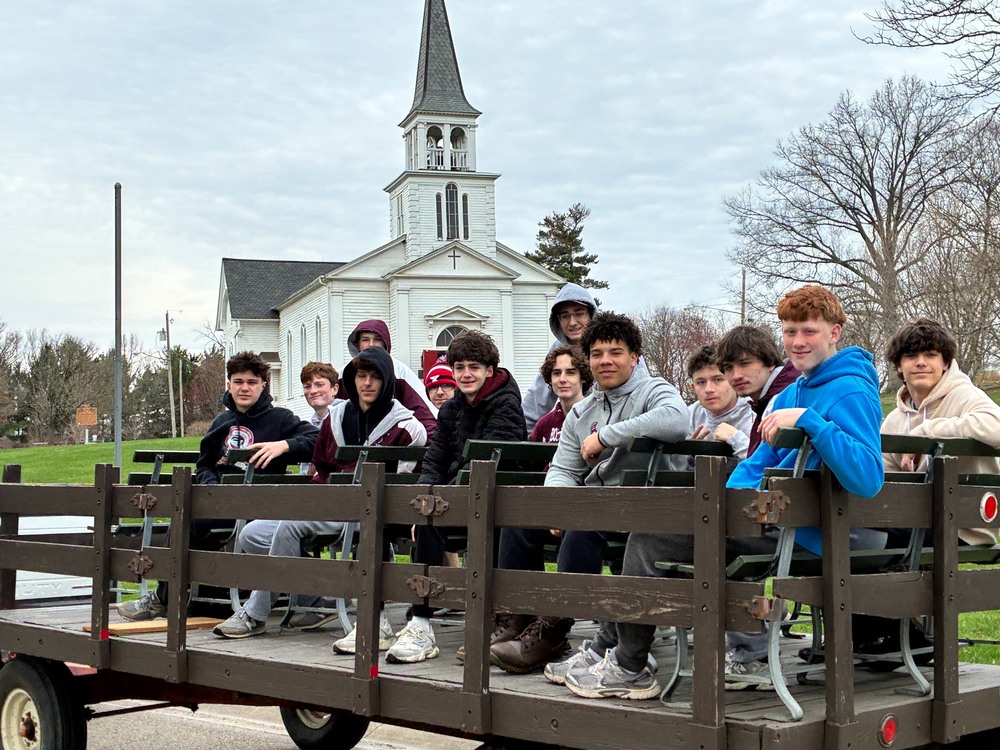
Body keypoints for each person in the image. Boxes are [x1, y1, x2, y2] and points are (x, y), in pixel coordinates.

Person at [566, 285, 886, 699]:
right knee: (658, 526)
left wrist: (813, 422)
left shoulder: (851, 389)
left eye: (809, 331)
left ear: (835, 332)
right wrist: (723, 506)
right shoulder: (790, 392)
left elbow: (867, 478)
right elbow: (753, 466)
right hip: (775, 518)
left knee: (651, 541)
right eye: (789, 332)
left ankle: (628, 666)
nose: (798, 342)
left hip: (822, 530)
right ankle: (618, 654)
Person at [491, 312, 688, 676]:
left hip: (649, 508)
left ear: (634, 356)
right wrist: (557, 507)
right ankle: (518, 617)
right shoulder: (582, 410)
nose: (605, 361)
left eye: (616, 352)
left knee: (585, 523)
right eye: (597, 354)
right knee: (521, 520)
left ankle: (553, 628)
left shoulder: (655, 390)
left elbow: (676, 421)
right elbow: (564, 468)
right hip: (598, 506)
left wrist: (606, 436)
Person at [212, 346, 427, 640]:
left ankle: (255, 614)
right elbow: (322, 469)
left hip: (365, 511)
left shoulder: (406, 426)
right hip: (324, 504)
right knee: (252, 533)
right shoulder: (336, 418)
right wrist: (314, 502)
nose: (366, 383)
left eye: (375, 377)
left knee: (288, 528)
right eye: (361, 375)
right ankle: (318, 594)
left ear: (387, 380)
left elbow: (401, 481)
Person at [117, 351, 319, 622]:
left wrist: (283, 445)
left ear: (263, 385)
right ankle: (171, 597)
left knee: (188, 522)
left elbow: (317, 440)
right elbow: (204, 465)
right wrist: (212, 487)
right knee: (183, 517)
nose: (244, 388)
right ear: (229, 385)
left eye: (251, 382)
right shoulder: (222, 423)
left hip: (259, 504)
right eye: (238, 381)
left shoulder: (281, 419)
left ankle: (164, 599)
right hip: (220, 502)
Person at [386, 330, 526, 664]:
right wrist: (426, 499)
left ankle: (491, 620)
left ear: (489, 370)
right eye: (460, 367)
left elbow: (492, 461)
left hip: (501, 499)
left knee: (437, 514)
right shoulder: (451, 409)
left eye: (474, 367)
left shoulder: (505, 404)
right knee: (427, 520)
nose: (466, 374)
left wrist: (438, 499)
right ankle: (421, 623)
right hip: (459, 497)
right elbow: (435, 459)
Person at [882, 317, 1000, 547]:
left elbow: (996, 425)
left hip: (964, 527)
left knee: (855, 540)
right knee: (852, 533)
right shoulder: (895, 420)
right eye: (911, 356)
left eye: (930, 355)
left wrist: (926, 432)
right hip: (914, 520)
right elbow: (885, 479)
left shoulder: (965, 396)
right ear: (898, 366)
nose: (920, 362)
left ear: (946, 362)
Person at [337, 319, 437, 438]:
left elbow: (424, 411)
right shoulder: (345, 373)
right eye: (365, 340)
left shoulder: (400, 372)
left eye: (377, 339)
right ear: (357, 344)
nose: (371, 344)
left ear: (385, 343)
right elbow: (332, 416)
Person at [521, 283, 598, 432]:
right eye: (565, 316)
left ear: (591, 315)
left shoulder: (613, 345)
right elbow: (538, 399)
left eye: (579, 313)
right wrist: (517, 431)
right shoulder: (557, 350)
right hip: (573, 431)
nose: (572, 322)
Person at [715, 325, 799, 455]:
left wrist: (735, 438)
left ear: (770, 362)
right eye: (728, 367)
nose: (736, 375)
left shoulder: (783, 397)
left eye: (745, 364)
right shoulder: (767, 398)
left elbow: (770, 465)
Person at [685, 345, 753, 467]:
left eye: (717, 380)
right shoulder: (689, 415)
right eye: (701, 382)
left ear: (732, 379)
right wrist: (690, 455)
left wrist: (736, 439)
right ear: (693, 388)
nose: (709, 389)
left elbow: (766, 464)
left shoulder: (754, 412)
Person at [528, 345, 593, 445]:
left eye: (570, 373)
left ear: (583, 377)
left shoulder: (597, 417)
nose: (562, 379)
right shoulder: (544, 425)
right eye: (557, 373)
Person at [299, 361, 339, 475]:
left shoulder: (344, 417)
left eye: (319, 385)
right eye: (307, 386)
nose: (313, 391)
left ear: (334, 389)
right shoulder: (311, 425)